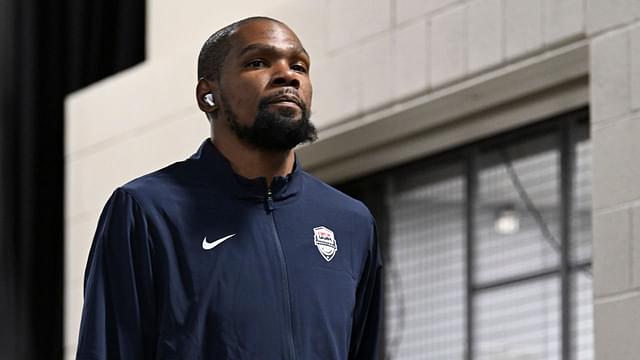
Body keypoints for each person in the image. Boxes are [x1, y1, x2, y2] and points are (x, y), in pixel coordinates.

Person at [76, 16, 383, 360]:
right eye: (257, 62)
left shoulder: (352, 223)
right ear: (209, 95)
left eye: (300, 66)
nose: (288, 75)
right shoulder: (146, 210)